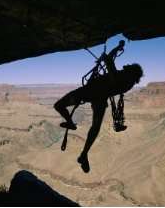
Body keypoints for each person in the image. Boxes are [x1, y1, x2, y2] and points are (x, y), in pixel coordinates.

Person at [54, 40, 143, 173]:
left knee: (94, 126)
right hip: (91, 94)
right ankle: (71, 124)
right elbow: (111, 59)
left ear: (132, 73)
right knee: (59, 105)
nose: (127, 66)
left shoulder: (125, 83)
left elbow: (112, 72)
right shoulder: (124, 77)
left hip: (95, 96)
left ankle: (84, 154)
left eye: (129, 67)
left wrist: (107, 59)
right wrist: (117, 48)